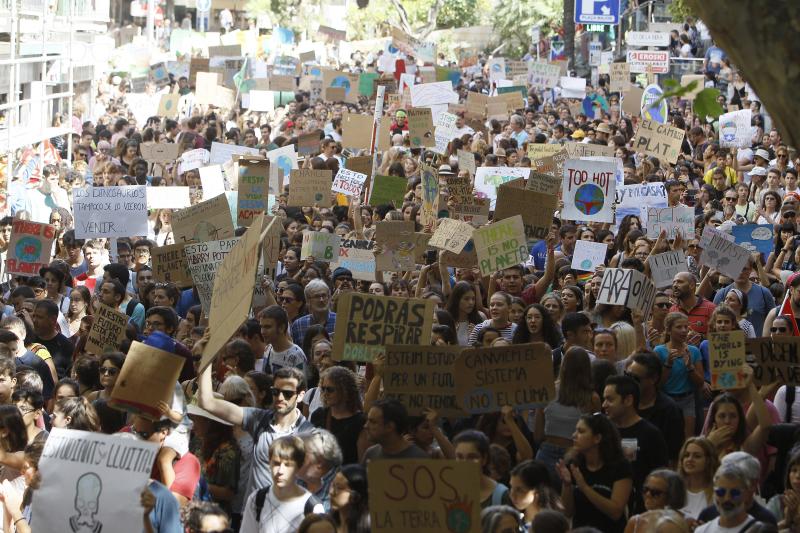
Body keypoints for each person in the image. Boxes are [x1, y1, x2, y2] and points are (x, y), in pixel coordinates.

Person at [197, 329, 314, 496]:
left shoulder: (308, 434)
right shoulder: (258, 419)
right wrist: (207, 357)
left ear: (301, 395)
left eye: (287, 393)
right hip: (252, 513)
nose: (280, 397)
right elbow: (207, 402)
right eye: (275, 392)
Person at [602, 374, 669, 514]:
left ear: (628, 400)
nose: (604, 405)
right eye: (604, 399)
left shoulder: (651, 434)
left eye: (610, 399)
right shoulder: (603, 431)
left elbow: (661, 477)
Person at [556, 413, 633, 533]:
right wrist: (566, 485)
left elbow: (615, 512)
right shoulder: (573, 464)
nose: (574, 435)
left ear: (597, 438)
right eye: (575, 431)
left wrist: (584, 487)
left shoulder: (620, 466)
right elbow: (567, 512)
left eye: (581, 432)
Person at [535, 347, 600, 483]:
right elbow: (596, 435)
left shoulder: (547, 390)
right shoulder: (592, 398)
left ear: (563, 365)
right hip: (576, 454)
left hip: (547, 452)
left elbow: (538, 434)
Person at [239, 435, 325, 532]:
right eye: (276, 463)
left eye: (288, 465)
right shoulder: (257, 499)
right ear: (269, 464)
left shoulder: (312, 507)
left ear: (299, 467)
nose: (280, 471)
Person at [624, 352, 685, 463]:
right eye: (627, 375)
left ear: (653, 379)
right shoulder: (623, 404)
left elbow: (672, 455)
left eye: (636, 379)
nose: (629, 382)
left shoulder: (669, 410)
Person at [654, 312, 704, 439]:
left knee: (688, 438)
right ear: (669, 330)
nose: (683, 331)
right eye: (679, 327)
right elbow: (657, 384)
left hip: (688, 399)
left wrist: (690, 368)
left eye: (686, 327)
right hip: (666, 399)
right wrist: (668, 364)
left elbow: (700, 383)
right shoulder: (659, 351)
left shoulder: (693, 351)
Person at [697, 451, 778, 526]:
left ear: (753, 484)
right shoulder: (707, 515)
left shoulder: (765, 521)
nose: (727, 498)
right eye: (721, 491)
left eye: (735, 492)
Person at [309, 367, 367, 466]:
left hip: (346, 478)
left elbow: (362, 463)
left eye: (330, 390)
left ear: (345, 391)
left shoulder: (360, 422)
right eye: (323, 389)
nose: (325, 393)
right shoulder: (318, 415)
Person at [453, 430, 509, 508]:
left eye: (472, 457)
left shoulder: (502, 496)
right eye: (459, 457)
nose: (465, 463)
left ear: (484, 459)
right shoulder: (447, 491)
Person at [361, 398, 428, 463]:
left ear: (389, 427)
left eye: (373, 422)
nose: (366, 426)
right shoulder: (371, 454)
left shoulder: (420, 459)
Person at [509, 459, 563, 527]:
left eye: (519, 490)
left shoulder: (552, 526)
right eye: (511, 487)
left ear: (538, 491)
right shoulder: (511, 521)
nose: (512, 495)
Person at [261, 305, 307, 374]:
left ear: (281, 328)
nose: (262, 331)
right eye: (261, 327)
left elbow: (303, 383)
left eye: (267, 327)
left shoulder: (297, 355)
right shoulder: (268, 349)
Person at [291, 279, 336, 347]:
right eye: (317, 296)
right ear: (308, 301)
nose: (321, 300)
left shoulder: (340, 321)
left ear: (329, 298)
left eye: (324, 296)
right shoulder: (298, 325)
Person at [329, 464, 370, 533]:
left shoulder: (369, 527)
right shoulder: (327, 524)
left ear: (356, 496)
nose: (331, 492)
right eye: (332, 485)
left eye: (339, 488)